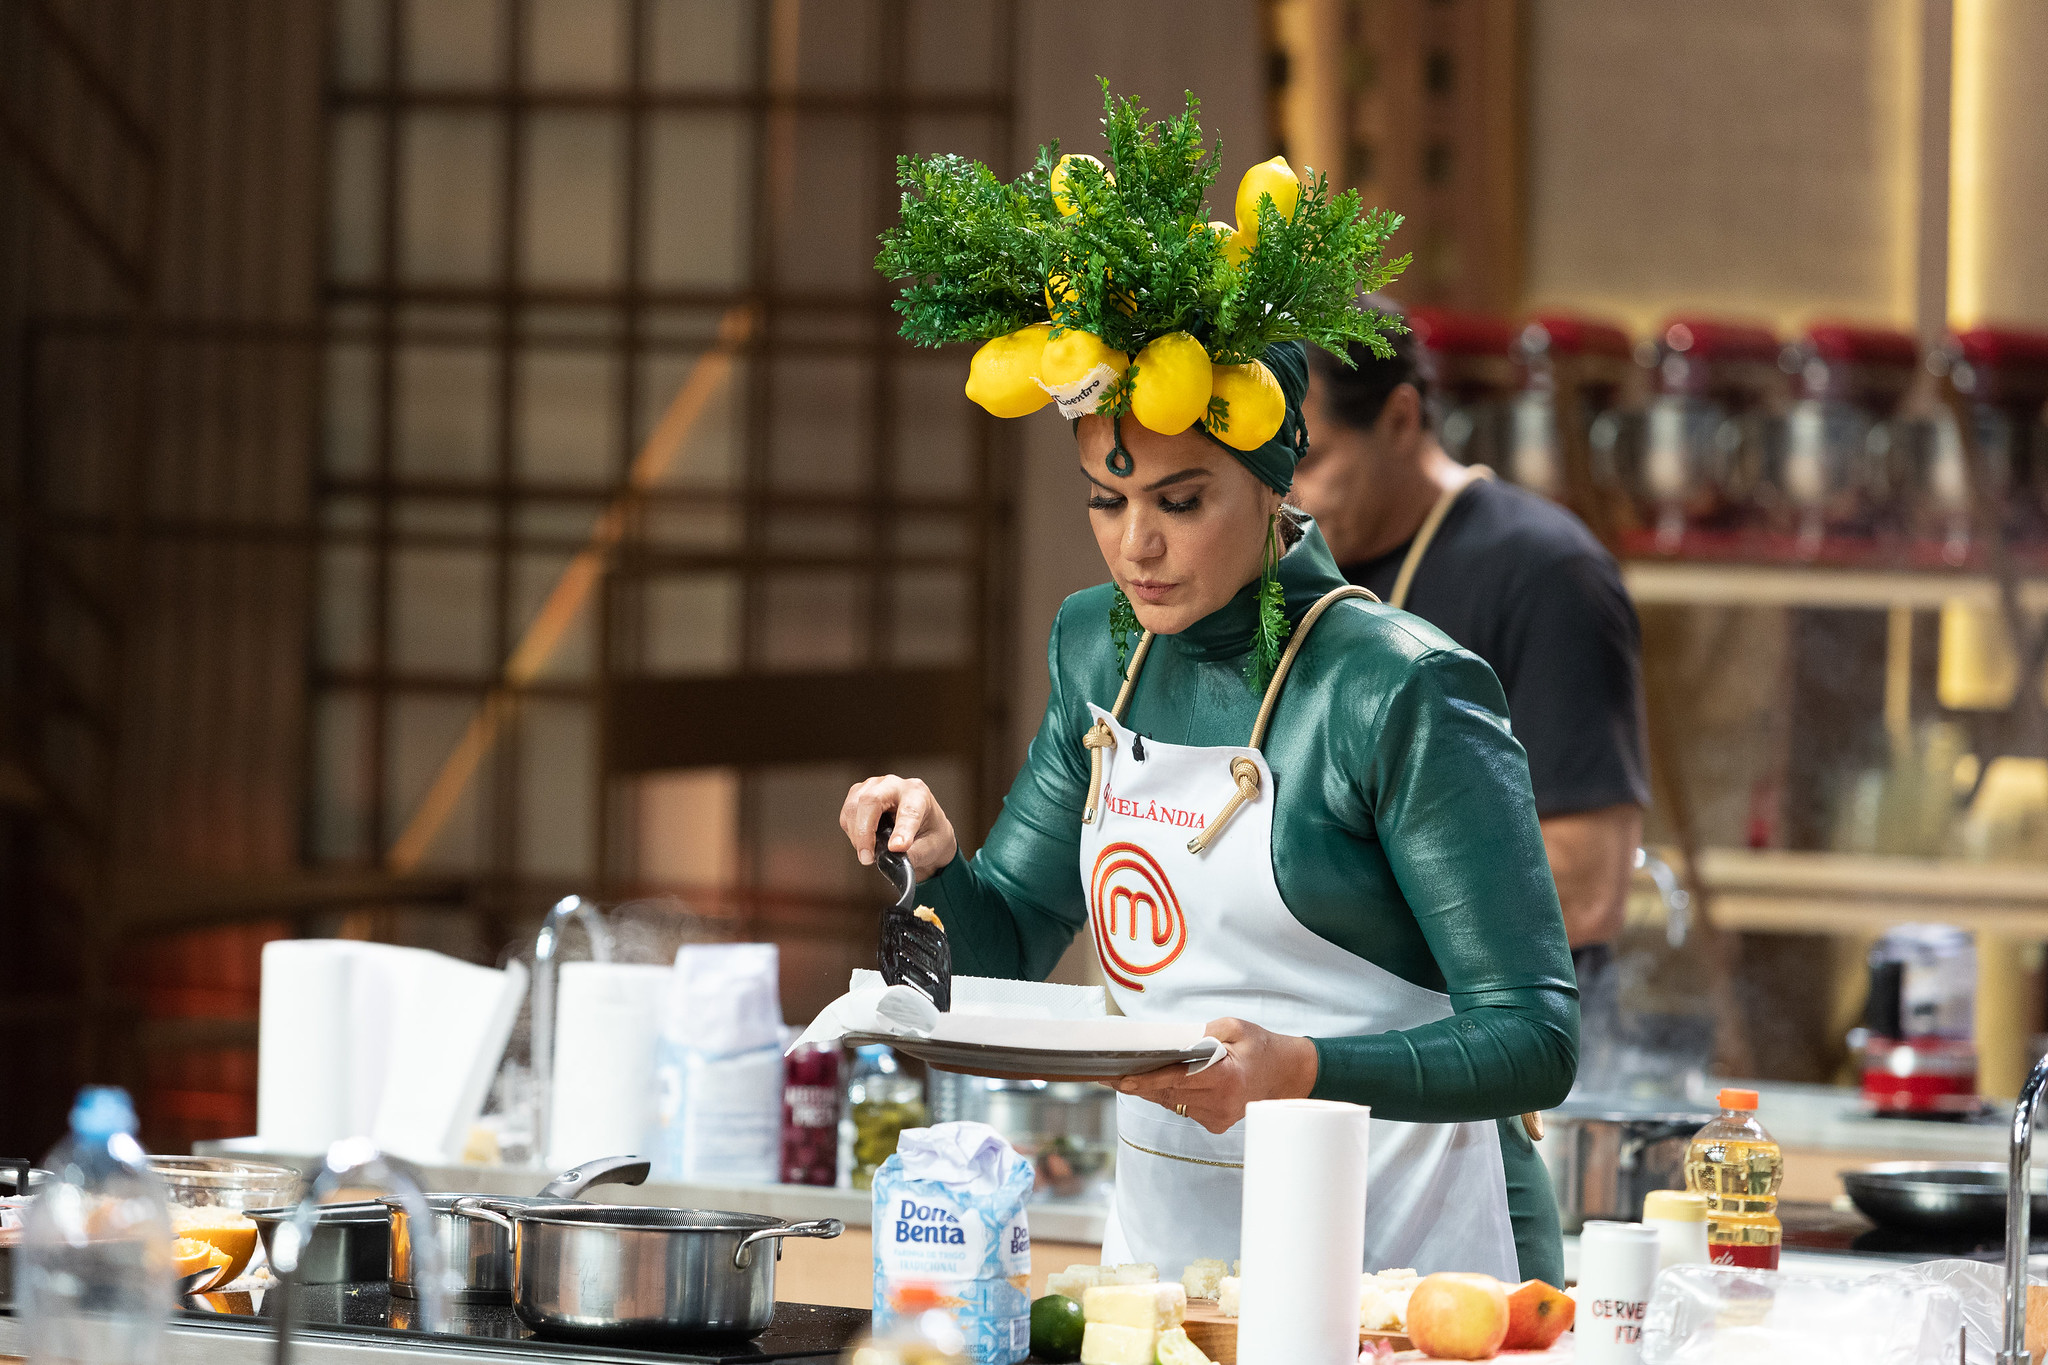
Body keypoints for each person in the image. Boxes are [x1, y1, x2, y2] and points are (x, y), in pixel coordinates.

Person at [850, 89, 1577, 1285]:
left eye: (1179, 503)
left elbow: (1534, 1038)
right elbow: (1007, 954)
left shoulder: (1398, 689)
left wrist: (1301, 1068)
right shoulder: (1097, 650)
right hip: (1173, 1272)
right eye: (1106, 502)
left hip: (1405, 1275)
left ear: (1271, 482)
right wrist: (930, 865)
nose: (1135, 547)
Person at [1293, 313, 1650, 1011]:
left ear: (1400, 419)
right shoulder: (1285, 576)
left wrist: (1315, 909)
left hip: (1501, 1055)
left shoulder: (1547, 573)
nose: (1285, 500)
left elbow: (1587, 885)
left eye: (1309, 462)